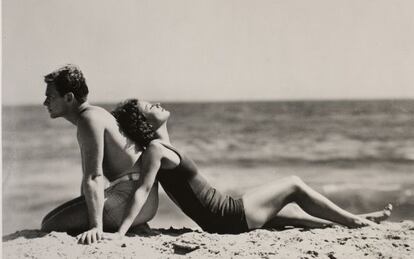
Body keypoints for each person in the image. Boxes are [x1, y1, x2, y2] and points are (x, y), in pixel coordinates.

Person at [109, 98, 392, 237]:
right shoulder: (156, 151)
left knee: (290, 212)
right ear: (143, 122)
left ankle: (345, 221)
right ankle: (355, 222)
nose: (156, 103)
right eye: (149, 106)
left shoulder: (160, 149)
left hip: (222, 215)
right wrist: (121, 232)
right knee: (293, 183)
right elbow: (141, 191)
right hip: (227, 217)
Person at [40, 65, 159, 244]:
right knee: (57, 217)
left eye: (50, 97)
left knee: (49, 223)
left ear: (69, 97)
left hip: (130, 199)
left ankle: (122, 223)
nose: (45, 103)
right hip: (141, 202)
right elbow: (88, 177)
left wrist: (95, 226)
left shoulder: (88, 120)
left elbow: (94, 176)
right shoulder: (96, 114)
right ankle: (134, 224)